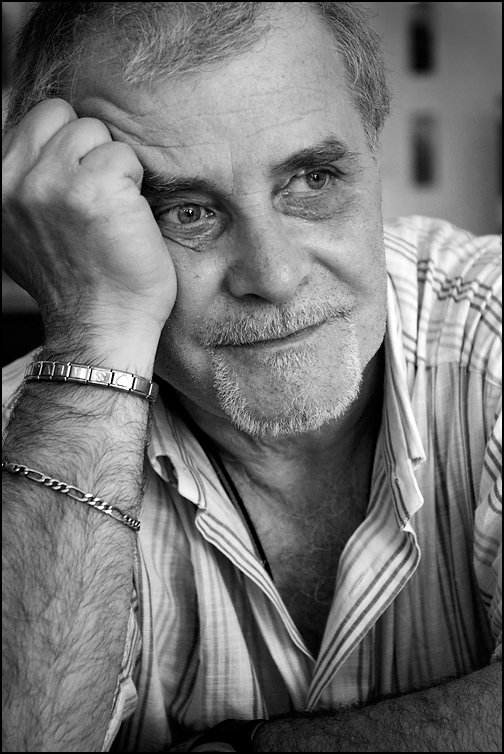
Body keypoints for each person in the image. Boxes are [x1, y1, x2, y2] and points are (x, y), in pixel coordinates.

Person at [2, 2, 501, 752]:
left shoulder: (490, 326)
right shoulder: (27, 457)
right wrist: (96, 330)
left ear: (373, 150)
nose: (273, 275)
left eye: (313, 179)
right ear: (78, 223)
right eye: (187, 212)